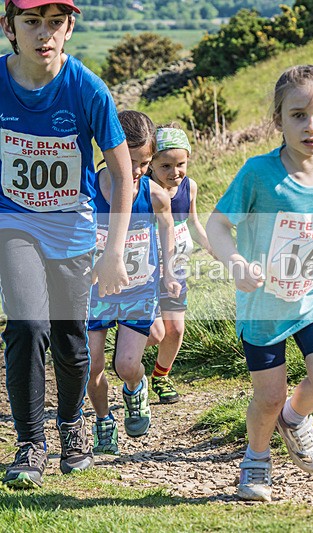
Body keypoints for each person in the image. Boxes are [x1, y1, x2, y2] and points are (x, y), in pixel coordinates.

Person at [0, 0, 133, 489]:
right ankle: (30, 441)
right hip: (12, 221)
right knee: (28, 325)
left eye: (55, 22)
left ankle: (72, 424)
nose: (44, 34)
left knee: (70, 341)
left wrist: (114, 250)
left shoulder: (87, 88)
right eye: (32, 22)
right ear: (8, 26)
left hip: (72, 230)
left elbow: (122, 173)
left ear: (70, 27)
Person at [207, 65, 313, 502]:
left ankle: (295, 417)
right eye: (298, 115)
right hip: (264, 304)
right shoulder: (258, 174)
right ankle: (256, 459)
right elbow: (216, 226)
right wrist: (234, 262)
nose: (312, 125)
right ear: (279, 120)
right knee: (267, 397)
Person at [86, 111, 180, 454]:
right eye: (132, 161)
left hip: (138, 290)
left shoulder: (155, 195)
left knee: (126, 365)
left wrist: (169, 271)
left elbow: (168, 227)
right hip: (94, 291)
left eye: (145, 162)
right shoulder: (87, 188)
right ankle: (103, 420)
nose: (138, 170)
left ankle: (135, 387)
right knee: (92, 364)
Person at [145, 124, 210, 404]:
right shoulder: (142, 191)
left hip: (177, 269)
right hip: (146, 272)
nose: (174, 173)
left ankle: (160, 377)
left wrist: (217, 249)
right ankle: (126, 359)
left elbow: (194, 223)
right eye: (165, 166)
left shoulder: (189, 187)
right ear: (151, 165)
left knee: (176, 330)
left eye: (180, 164)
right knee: (151, 331)